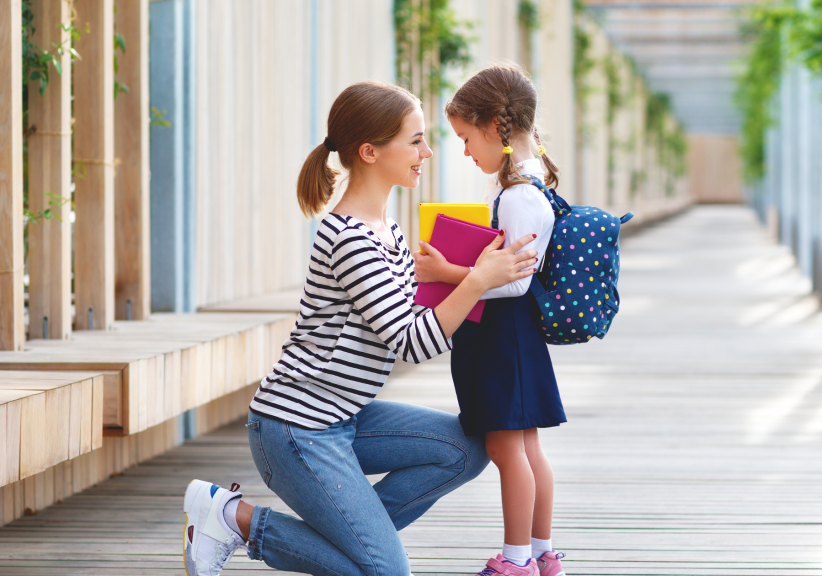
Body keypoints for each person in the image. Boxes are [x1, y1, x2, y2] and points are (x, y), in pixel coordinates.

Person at [181, 81, 540, 576]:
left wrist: (461, 277)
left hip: (347, 415)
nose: (428, 152)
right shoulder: (349, 238)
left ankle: (356, 541)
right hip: (296, 427)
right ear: (370, 152)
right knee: (386, 572)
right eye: (415, 140)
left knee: (467, 448)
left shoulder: (387, 231)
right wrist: (477, 281)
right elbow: (411, 342)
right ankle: (234, 518)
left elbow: (416, 320)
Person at [413, 64, 566, 576]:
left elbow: (514, 280)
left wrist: (446, 269)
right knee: (526, 449)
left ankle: (516, 559)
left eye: (465, 137)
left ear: (495, 126)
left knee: (507, 450)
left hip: (503, 338)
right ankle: (541, 554)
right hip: (510, 338)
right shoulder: (526, 186)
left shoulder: (519, 195)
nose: (463, 151)